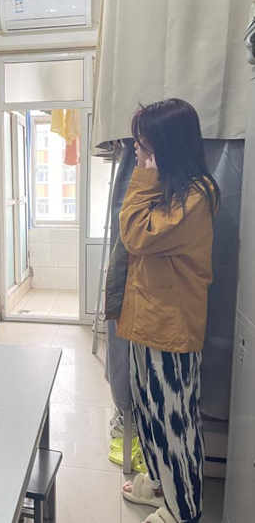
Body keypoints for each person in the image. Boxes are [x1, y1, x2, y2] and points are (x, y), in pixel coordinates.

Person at [112, 99, 221, 523]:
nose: (138, 152)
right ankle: (161, 486)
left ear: (166, 145)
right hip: (146, 321)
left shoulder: (196, 194)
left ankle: (183, 510)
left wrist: (143, 176)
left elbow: (136, 235)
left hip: (170, 328)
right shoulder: (171, 187)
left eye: (143, 144)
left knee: (175, 422)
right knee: (150, 413)